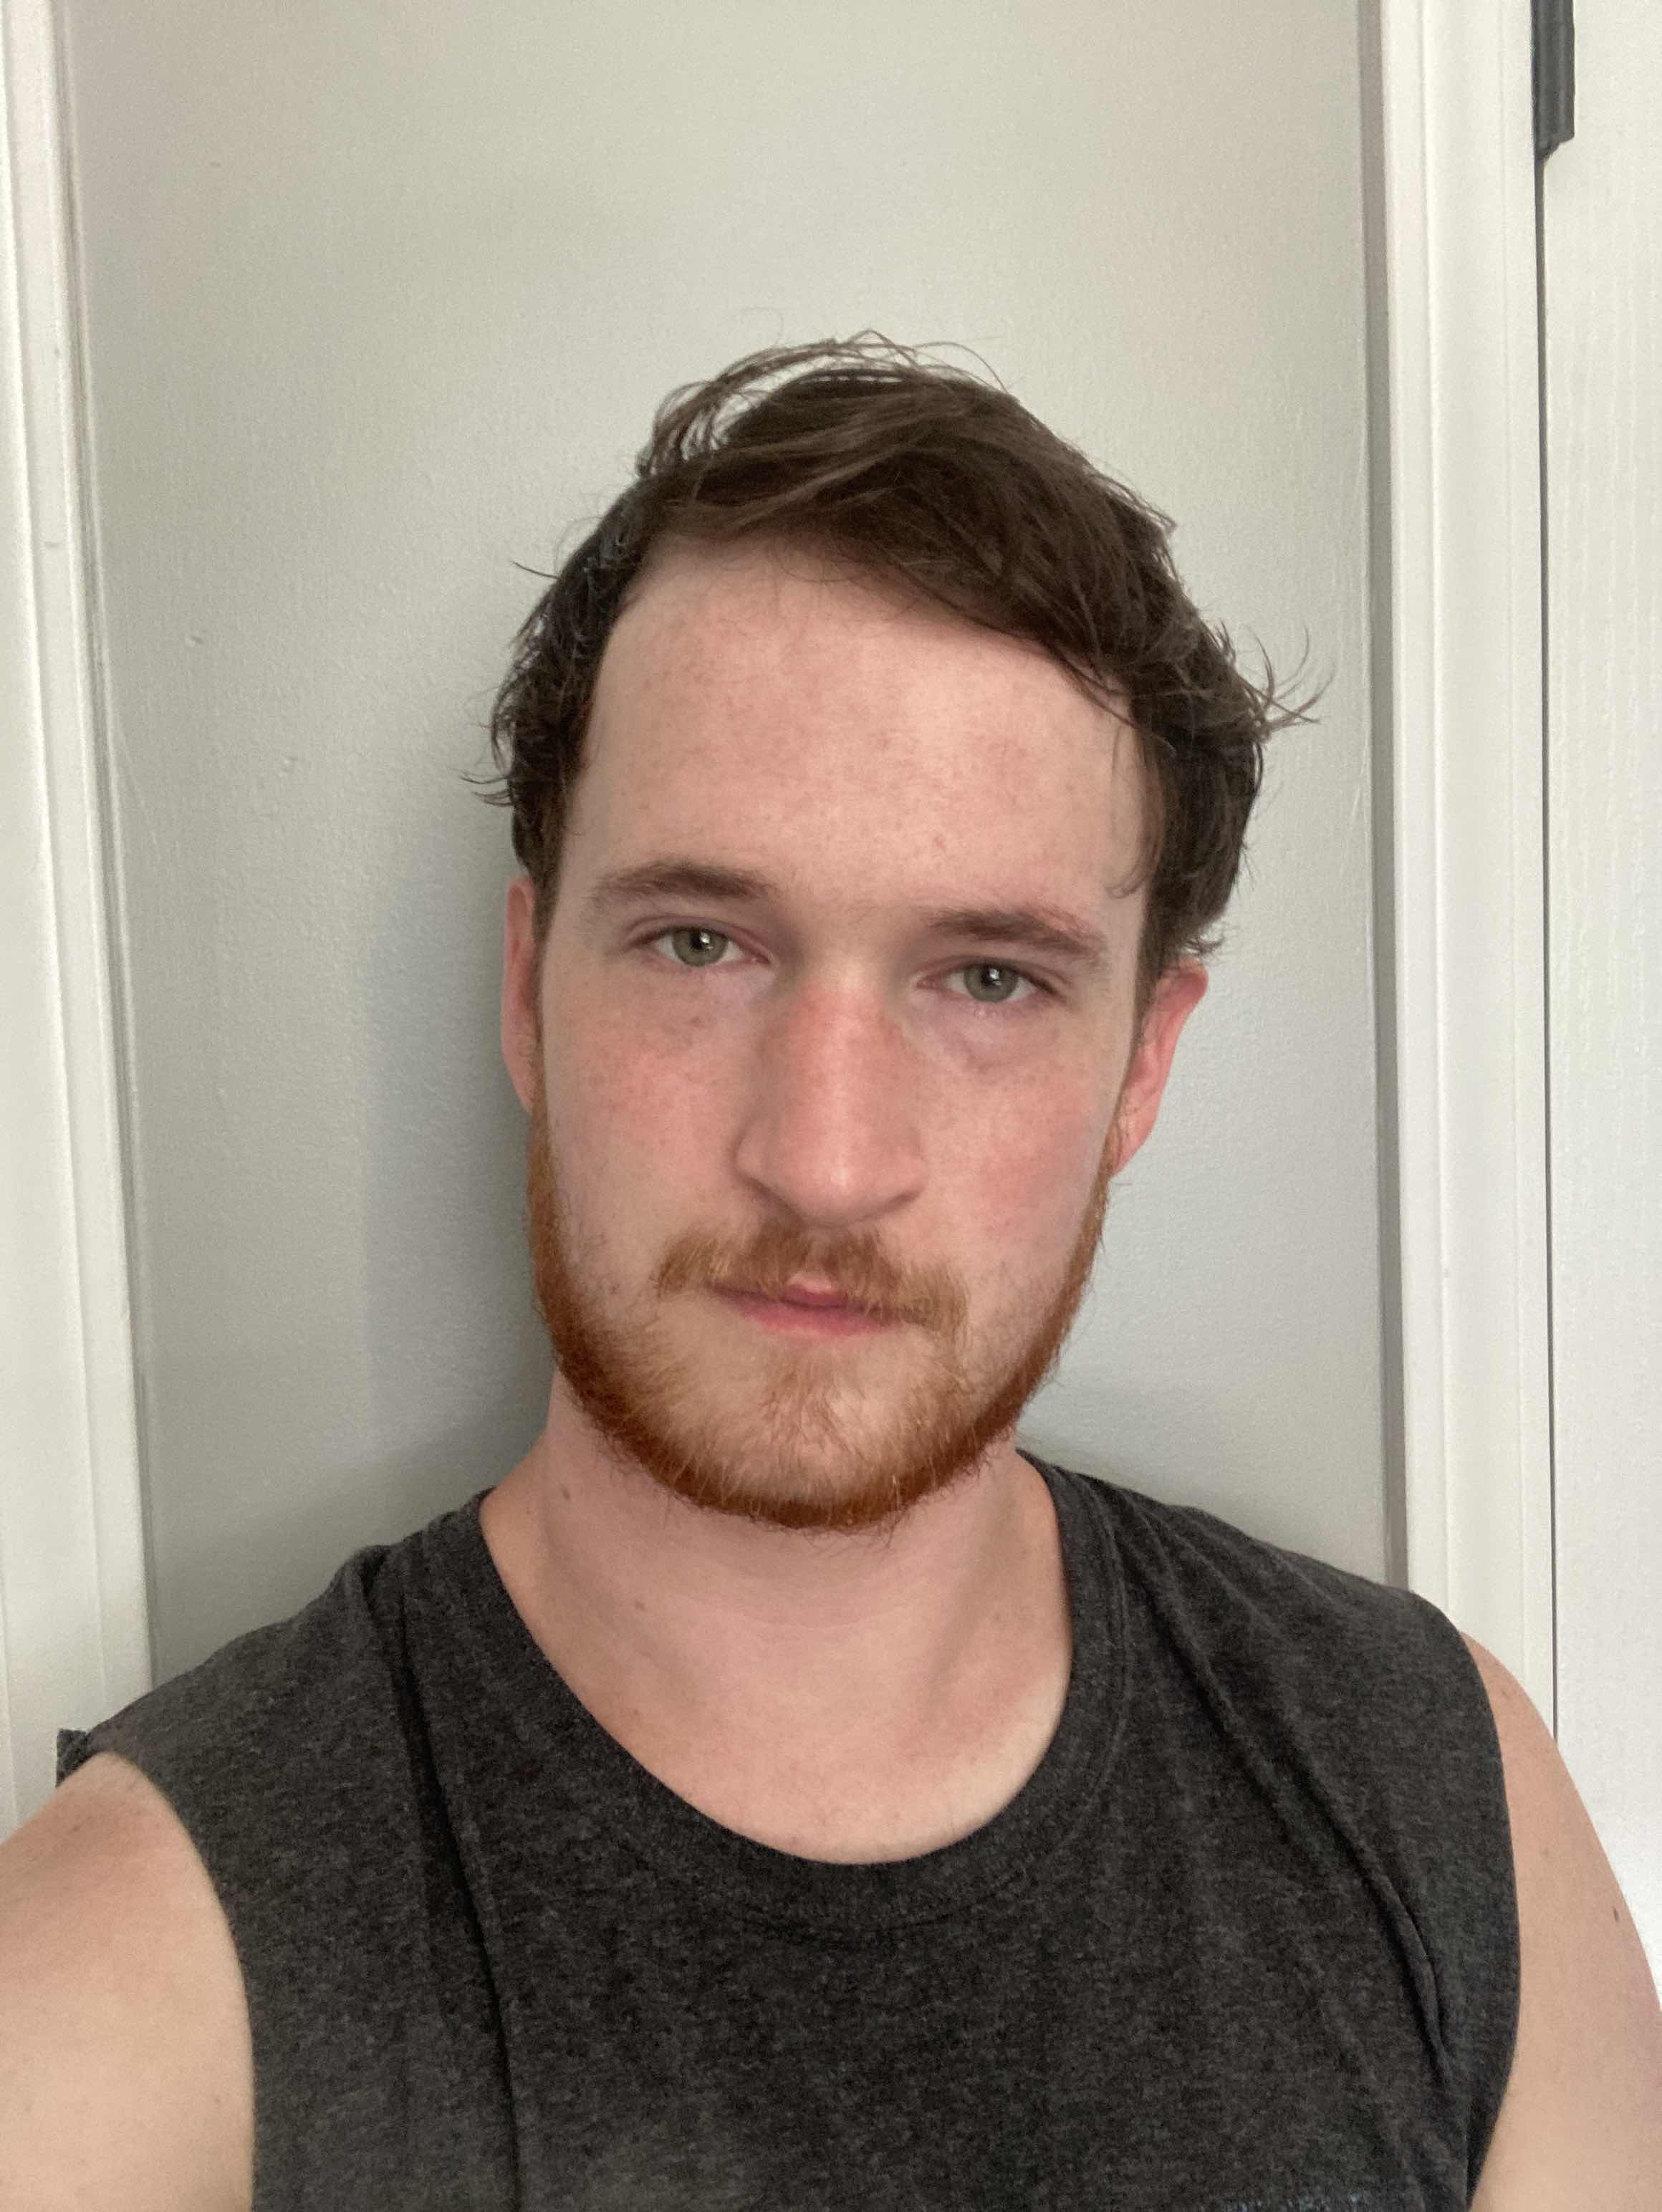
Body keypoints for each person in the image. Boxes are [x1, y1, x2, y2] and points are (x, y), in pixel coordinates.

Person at [2, 338, 1658, 2211]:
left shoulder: (1444, 1801)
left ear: (1144, 1062)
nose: (825, 1158)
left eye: (989, 980)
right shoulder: (127, 1979)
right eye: (700, 943)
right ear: (527, 991)